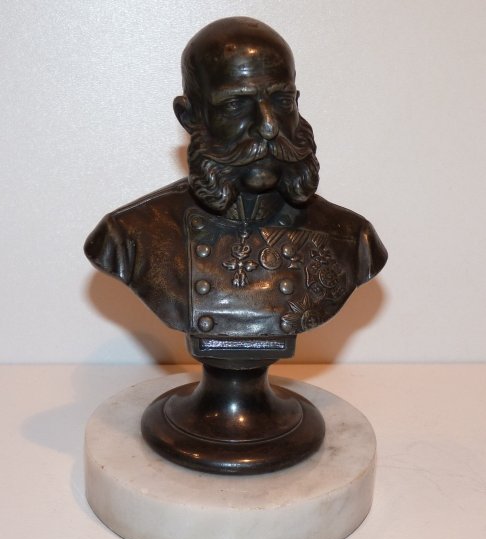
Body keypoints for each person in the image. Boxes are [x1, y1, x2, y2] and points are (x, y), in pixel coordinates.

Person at [85, 17, 387, 358]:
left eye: (281, 101)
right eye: (234, 104)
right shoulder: (128, 237)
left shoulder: (352, 240)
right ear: (189, 116)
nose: (268, 126)